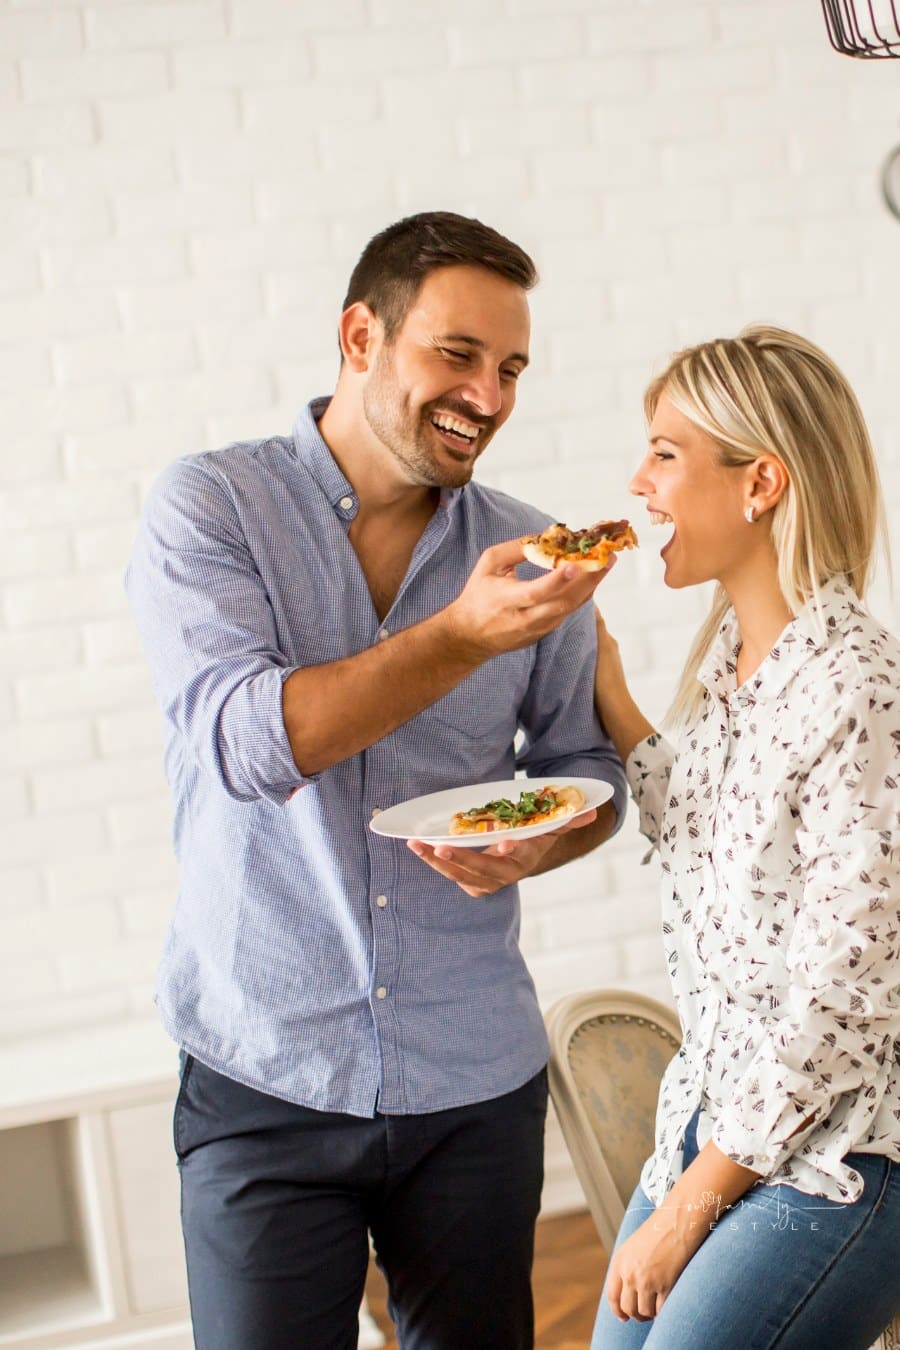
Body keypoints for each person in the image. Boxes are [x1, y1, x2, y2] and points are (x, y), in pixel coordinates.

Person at [125, 210, 627, 1350]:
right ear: (361, 337)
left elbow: (586, 768)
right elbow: (251, 745)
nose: (488, 397)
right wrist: (461, 635)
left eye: (510, 370)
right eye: (457, 355)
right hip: (266, 1071)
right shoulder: (212, 509)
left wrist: (545, 838)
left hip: (473, 1078)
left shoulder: (537, 552)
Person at [589, 324, 900, 1349]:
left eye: (667, 453)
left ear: (759, 482)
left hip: (844, 1151)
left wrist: (688, 1210)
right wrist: (610, 696)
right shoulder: (732, 660)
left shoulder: (856, 687)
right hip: (716, 1113)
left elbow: (845, 995)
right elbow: (710, 842)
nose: (641, 481)